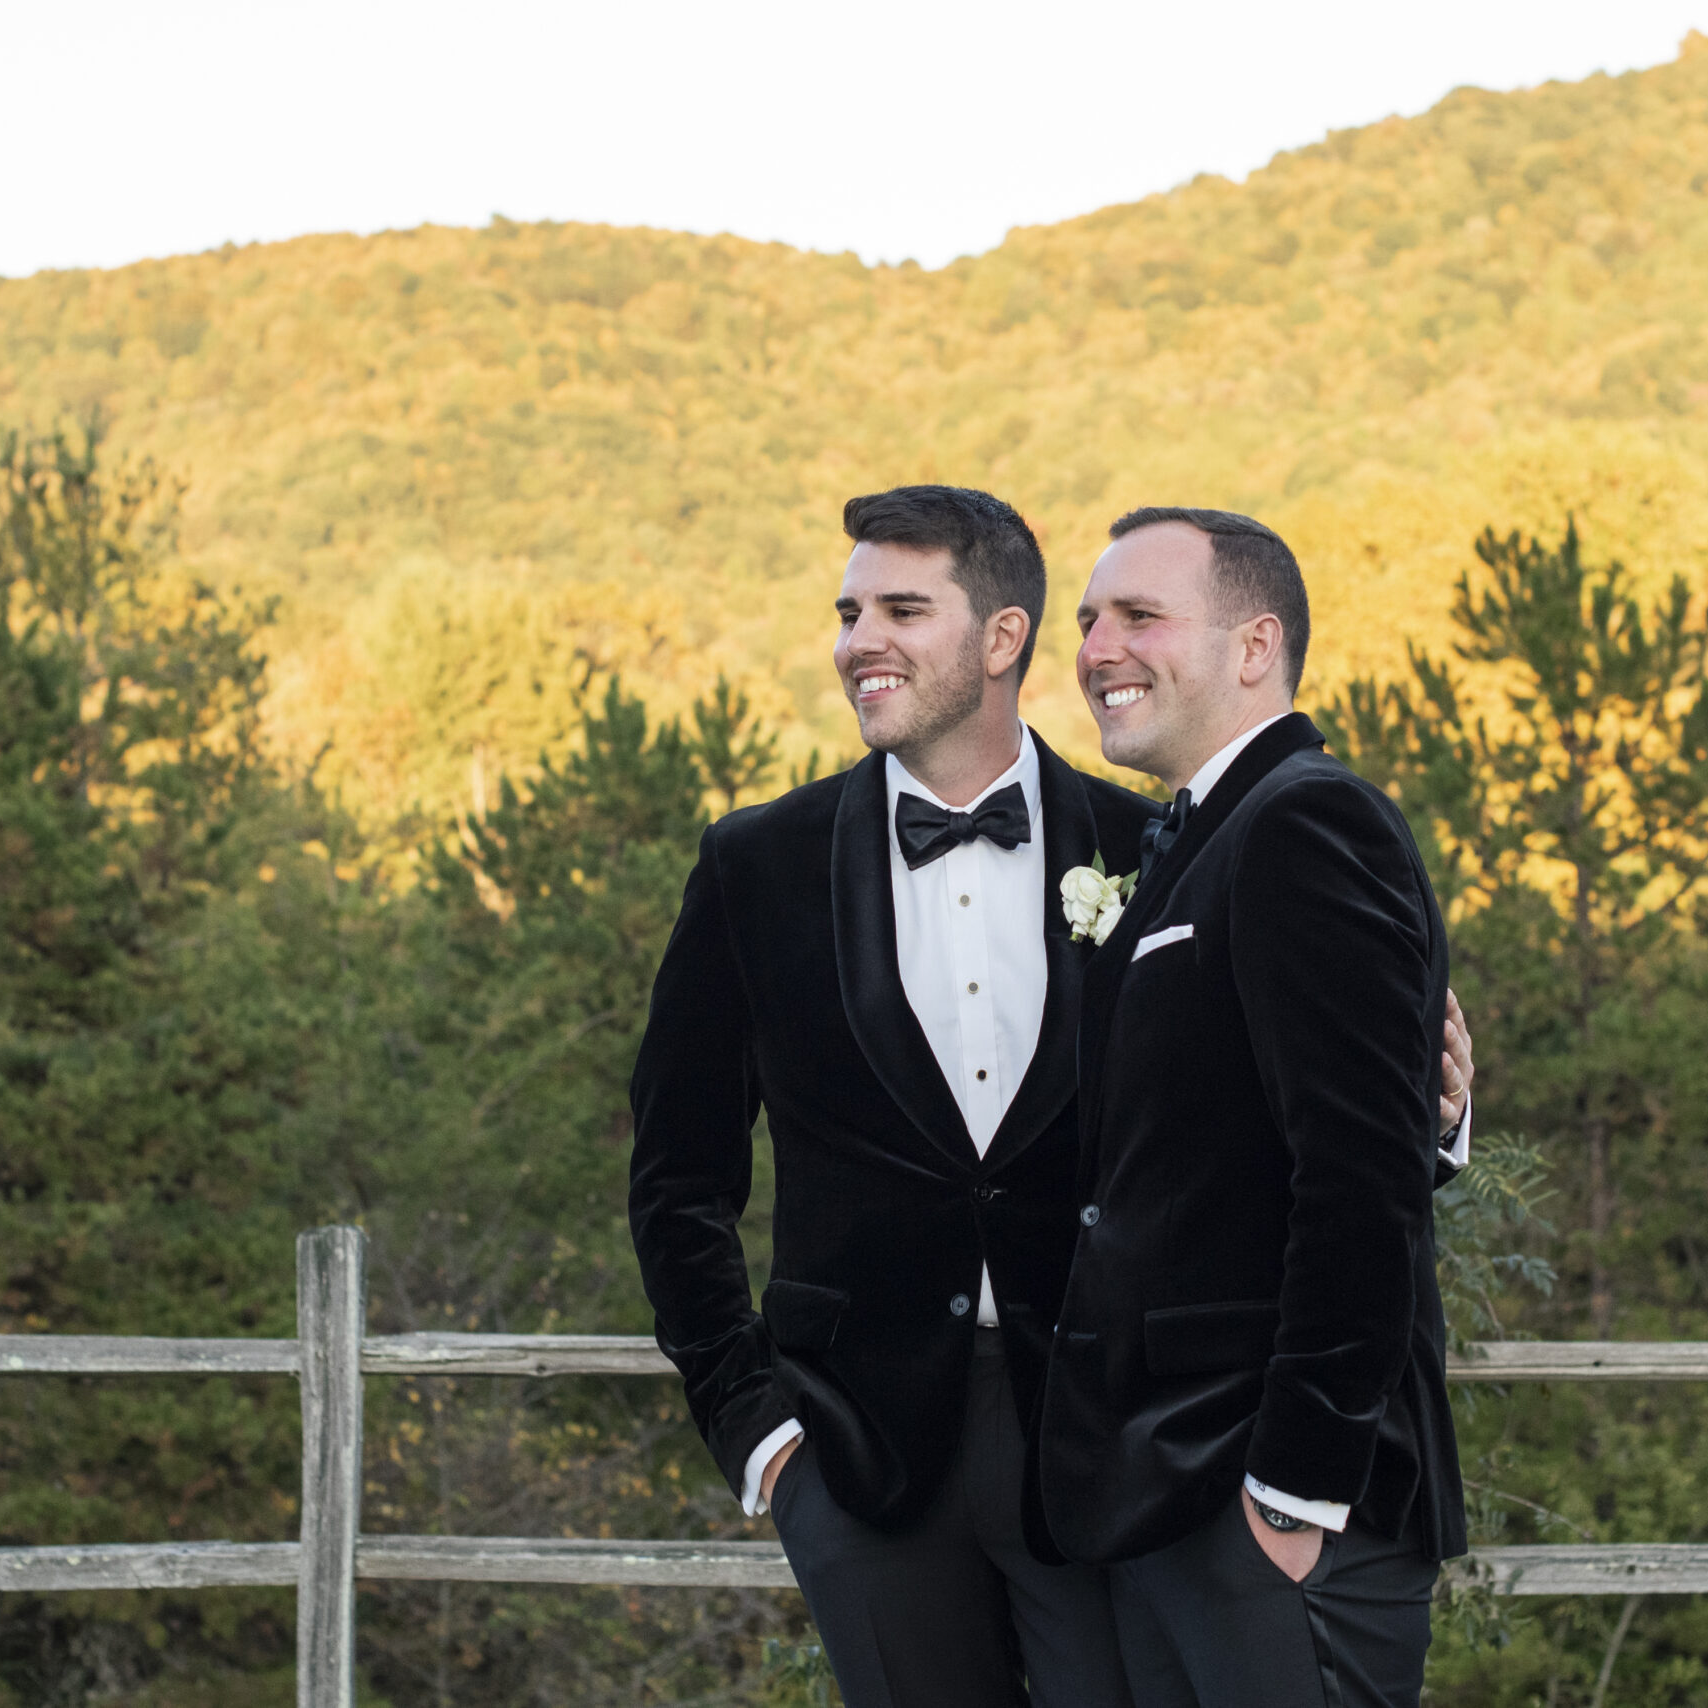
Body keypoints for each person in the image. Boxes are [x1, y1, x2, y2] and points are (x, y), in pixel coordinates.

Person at [628, 487, 1474, 1708]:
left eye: (901, 608)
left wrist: (1425, 1121)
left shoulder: (1160, 840)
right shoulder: (754, 866)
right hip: (861, 1446)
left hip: (1119, 1438)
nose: (859, 637)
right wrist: (756, 1431)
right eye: (848, 610)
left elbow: (1270, 1124)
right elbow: (675, 1174)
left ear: (1000, 638)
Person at [1035, 507, 1467, 1708]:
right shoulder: (1191, 842)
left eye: (1138, 615)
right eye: (1086, 620)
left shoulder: (1307, 822)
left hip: (1272, 1505)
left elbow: (1354, 1175)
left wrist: (1295, 1488)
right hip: (1166, 1485)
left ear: (1252, 645)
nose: (1096, 647)